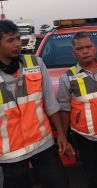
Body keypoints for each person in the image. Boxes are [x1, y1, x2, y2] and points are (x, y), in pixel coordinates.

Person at [0, 20, 70, 188]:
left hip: (43, 144)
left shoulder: (36, 63)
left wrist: (61, 134)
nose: (17, 44)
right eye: (10, 40)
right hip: (10, 154)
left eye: (18, 38)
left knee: (59, 183)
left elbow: (51, 104)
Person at [57, 32, 97, 188]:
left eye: (88, 46)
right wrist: (63, 136)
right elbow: (64, 110)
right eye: (80, 48)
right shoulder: (67, 77)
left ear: (95, 48)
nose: (85, 51)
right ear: (73, 53)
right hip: (87, 140)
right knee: (94, 179)